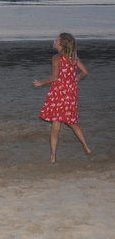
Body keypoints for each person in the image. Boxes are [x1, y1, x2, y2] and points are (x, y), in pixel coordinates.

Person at [33, 33, 92, 163]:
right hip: (71, 93)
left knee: (56, 125)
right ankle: (86, 147)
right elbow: (85, 72)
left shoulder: (56, 58)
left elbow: (54, 78)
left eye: (56, 40)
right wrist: (77, 78)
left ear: (61, 44)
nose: (54, 41)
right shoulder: (73, 57)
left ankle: (53, 156)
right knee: (72, 122)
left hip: (59, 93)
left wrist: (41, 82)